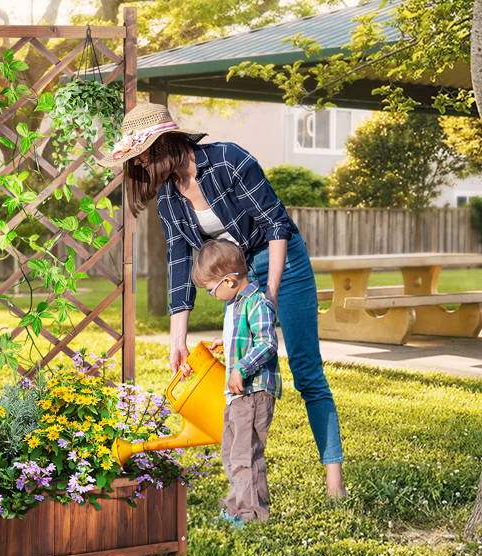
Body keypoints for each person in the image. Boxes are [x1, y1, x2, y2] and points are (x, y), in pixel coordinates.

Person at [98, 103, 347, 498]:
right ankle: (248, 480)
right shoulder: (170, 200)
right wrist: (176, 340)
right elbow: (180, 263)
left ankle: (335, 480)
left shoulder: (229, 161)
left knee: (305, 370)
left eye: (142, 154)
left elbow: (276, 225)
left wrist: (267, 294)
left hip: (281, 261)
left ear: (164, 143)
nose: (141, 164)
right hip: (234, 279)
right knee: (242, 380)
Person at [191, 239, 282, 528]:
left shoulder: (258, 302)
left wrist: (241, 368)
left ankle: (252, 515)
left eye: (210, 290)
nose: (211, 295)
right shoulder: (236, 302)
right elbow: (245, 337)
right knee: (231, 453)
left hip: (253, 392)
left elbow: (267, 342)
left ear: (229, 280)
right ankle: (235, 508)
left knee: (246, 454)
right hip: (237, 396)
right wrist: (226, 344)